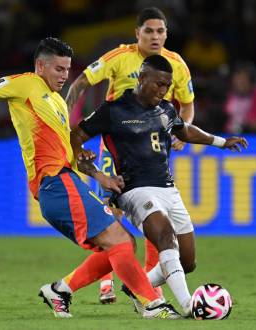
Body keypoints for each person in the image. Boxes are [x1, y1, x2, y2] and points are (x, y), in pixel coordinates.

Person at [0, 37, 180, 319]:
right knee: (119, 240)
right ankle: (151, 304)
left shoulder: (58, 102)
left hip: (67, 180)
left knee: (123, 243)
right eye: (58, 69)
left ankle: (61, 290)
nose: (64, 76)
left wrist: (98, 174)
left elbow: (67, 152)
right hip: (55, 183)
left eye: (67, 69)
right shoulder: (25, 84)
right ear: (40, 65)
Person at [70, 55, 248, 316]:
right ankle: (188, 306)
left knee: (187, 262)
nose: (164, 91)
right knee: (165, 236)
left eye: (167, 86)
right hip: (133, 190)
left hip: (167, 188)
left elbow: (184, 130)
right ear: (141, 79)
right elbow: (77, 135)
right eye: (159, 84)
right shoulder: (113, 110)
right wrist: (83, 157)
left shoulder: (166, 109)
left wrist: (222, 142)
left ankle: (139, 286)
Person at [66, 6, 195, 304]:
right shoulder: (119, 56)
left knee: (156, 217)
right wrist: (65, 117)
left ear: (166, 33)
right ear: (137, 33)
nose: (154, 36)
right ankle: (107, 281)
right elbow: (83, 81)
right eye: (148, 31)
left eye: (160, 31)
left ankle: (150, 280)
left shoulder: (175, 64)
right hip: (116, 146)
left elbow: (187, 103)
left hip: (152, 148)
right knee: (111, 213)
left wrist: (183, 133)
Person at [223, 62, 256, 134]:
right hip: (227, 137)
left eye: (243, 79)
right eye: (237, 78)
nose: (239, 82)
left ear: (252, 81)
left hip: (254, 137)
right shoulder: (227, 95)